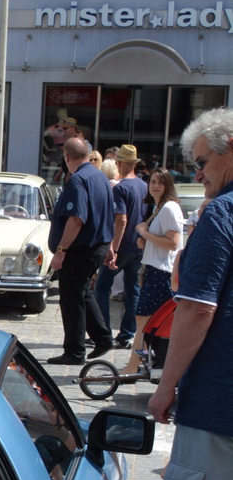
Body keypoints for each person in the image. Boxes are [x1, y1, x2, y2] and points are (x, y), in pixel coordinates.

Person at [148, 108, 233, 480]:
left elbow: (197, 310)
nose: (198, 174)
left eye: (201, 162)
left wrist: (164, 387)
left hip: (218, 403)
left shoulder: (221, 218)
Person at [46, 136, 115, 365]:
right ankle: (103, 337)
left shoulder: (78, 180)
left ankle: (75, 351)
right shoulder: (100, 177)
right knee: (83, 293)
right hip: (96, 246)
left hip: (80, 250)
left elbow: (76, 219)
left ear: (66, 157)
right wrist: (110, 246)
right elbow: (108, 216)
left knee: (72, 298)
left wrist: (61, 250)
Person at [120, 171, 184, 377]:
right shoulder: (158, 208)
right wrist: (146, 242)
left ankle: (133, 365)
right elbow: (163, 242)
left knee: (145, 321)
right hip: (154, 270)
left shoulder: (169, 208)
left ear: (168, 186)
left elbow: (173, 243)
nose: (155, 186)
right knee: (144, 320)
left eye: (160, 183)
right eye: (153, 182)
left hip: (162, 273)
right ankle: (142, 361)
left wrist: (146, 234)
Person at [94, 143, 147, 349]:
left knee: (101, 287)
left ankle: (104, 332)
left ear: (120, 163)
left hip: (122, 246)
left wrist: (113, 249)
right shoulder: (143, 186)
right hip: (138, 246)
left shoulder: (121, 187)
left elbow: (121, 220)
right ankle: (127, 334)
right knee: (133, 290)